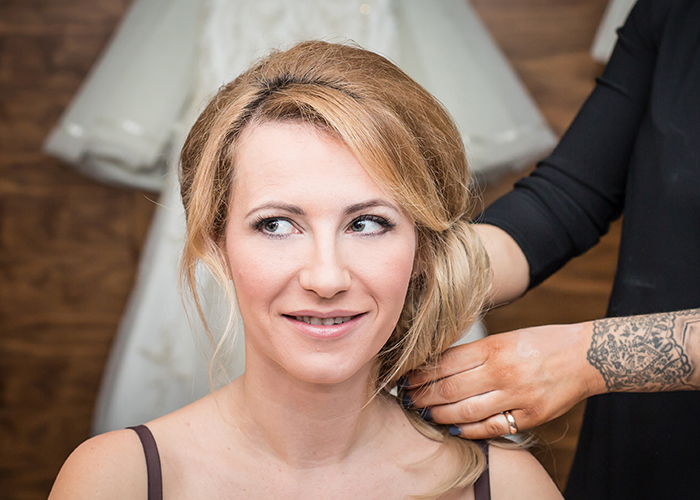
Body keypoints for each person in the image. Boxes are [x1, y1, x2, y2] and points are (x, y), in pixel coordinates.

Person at [48, 41, 563, 499]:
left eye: (366, 223)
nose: (325, 277)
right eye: (276, 225)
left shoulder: (508, 487)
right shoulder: (117, 480)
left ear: (422, 249)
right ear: (215, 244)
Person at [404, 0, 700, 498]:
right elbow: (569, 196)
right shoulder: (676, 12)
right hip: (645, 426)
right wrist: (412, 273)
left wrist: (591, 358)